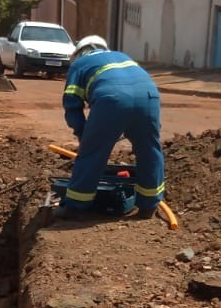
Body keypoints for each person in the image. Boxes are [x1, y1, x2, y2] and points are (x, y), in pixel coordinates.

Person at [58, 34, 165, 219]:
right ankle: (149, 206)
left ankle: (75, 207)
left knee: (92, 154)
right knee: (150, 150)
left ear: (79, 53)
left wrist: (84, 136)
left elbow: (72, 105)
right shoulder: (122, 56)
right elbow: (138, 86)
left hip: (112, 99)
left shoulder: (79, 65)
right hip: (149, 96)